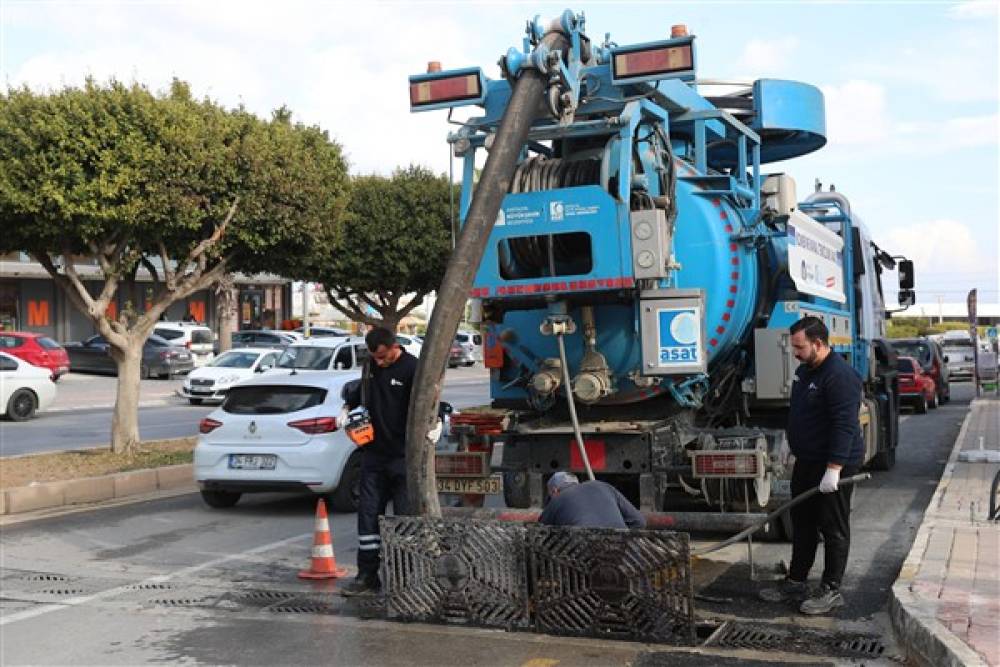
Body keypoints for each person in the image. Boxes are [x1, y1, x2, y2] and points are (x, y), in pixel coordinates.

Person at [759, 316, 863, 615]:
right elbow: (801, 412)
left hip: (833, 464)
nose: (795, 353)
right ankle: (796, 580)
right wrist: (791, 443)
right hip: (807, 459)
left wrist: (834, 468)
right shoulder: (806, 372)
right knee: (802, 523)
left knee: (833, 527)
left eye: (800, 347)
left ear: (818, 344)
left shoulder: (840, 376)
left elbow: (844, 426)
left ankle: (831, 589)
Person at [339, 327, 418, 597]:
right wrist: (348, 408)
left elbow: (428, 401)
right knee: (368, 517)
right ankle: (367, 576)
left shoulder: (413, 369)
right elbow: (361, 392)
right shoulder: (370, 366)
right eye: (375, 357)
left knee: (405, 520)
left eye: (383, 357)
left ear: (394, 346)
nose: (379, 362)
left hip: (403, 457)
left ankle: (407, 578)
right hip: (374, 455)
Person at [539, 471, 646, 529]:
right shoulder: (604, 486)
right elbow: (640, 522)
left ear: (554, 491)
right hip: (621, 554)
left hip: (583, 558)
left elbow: (541, 534)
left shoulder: (556, 500)